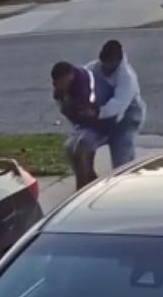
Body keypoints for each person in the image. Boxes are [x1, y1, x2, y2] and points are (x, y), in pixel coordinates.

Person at [51, 61, 115, 189]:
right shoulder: (60, 89)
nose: (60, 86)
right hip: (85, 123)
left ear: (70, 76)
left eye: (62, 83)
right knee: (70, 148)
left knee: (82, 148)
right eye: (57, 83)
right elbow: (70, 114)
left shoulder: (84, 85)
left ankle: (81, 188)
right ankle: (91, 182)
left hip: (104, 120)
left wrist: (72, 107)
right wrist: (65, 102)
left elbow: (91, 111)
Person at [85, 40, 146, 168]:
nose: (106, 69)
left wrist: (96, 112)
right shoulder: (92, 68)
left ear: (118, 62)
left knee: (122, 163)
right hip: (99, 117)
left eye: (110, 66)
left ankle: (124, 182)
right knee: (80, 147)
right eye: (103, 65)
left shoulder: (127, 78)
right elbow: (81, 77)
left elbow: (118, 104)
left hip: (126, 119)